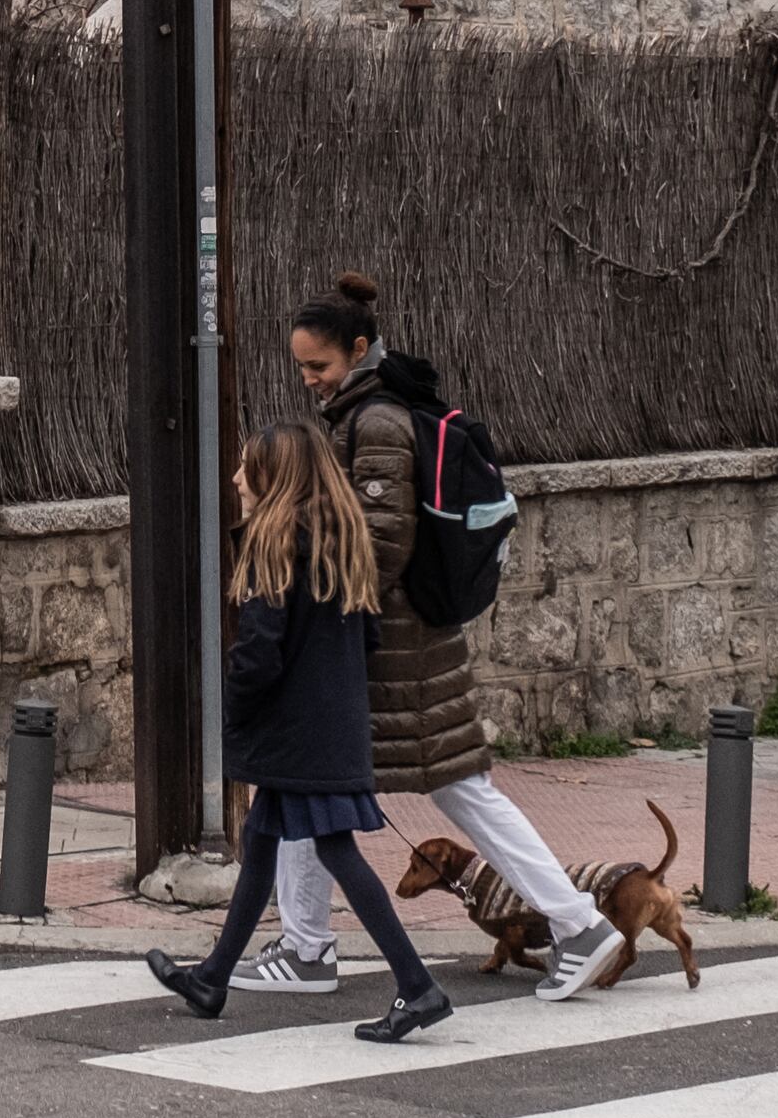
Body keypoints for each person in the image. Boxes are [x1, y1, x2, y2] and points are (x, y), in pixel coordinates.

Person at [243, 275, 625, 1002]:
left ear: (358, 349)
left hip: (391, 649)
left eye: (318, 365)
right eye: (301, 367)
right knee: (447, 789)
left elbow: (381, 546)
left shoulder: (377, 422)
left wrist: (310, 596)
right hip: (414, 644)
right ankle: (576, 925)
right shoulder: (375, 407)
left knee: (312, 780)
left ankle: (307, 948)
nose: (309, 380)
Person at [144, 429, 455, 1046]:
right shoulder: (341, 544)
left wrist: (233, 711)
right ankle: (212, 978)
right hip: (329, 725)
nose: (236, 479)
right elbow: (367, 641)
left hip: (297, 732)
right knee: (260, 843)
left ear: (274, 479)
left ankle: (418, 986)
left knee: (337, 850)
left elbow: (259, 651)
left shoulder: (275, 543)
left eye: (245, 469)